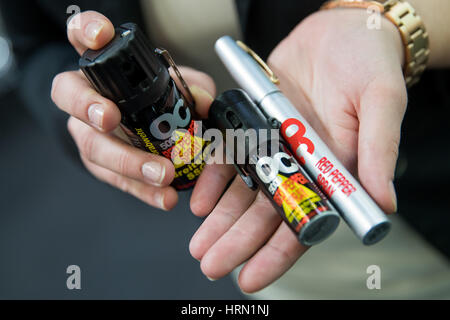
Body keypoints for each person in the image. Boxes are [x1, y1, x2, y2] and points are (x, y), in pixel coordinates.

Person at [3, 0, 450, 298]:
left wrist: (388, 21)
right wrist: (82, 118)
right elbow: (35, 51)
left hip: (425, 168)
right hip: (241, 210)